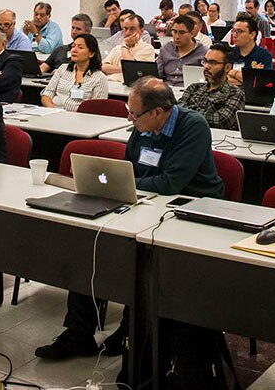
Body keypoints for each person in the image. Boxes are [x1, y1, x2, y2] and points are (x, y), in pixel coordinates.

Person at [36, 77, 224, 360]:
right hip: (146, 201)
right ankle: (78, 333)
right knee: (92, 245)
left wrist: (128, 183)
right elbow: (130, 167)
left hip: (188, 207)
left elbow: (172, 183)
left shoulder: (192, 126)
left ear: (158, 112)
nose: (129, 118)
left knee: (140, 260)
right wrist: (119, 182)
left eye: (134, 114)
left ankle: (128, 329)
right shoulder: (144, 123)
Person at [179, 43, 245, 130]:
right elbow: (177, 111)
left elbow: (221, 121)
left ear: (227, 67)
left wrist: (189, 111)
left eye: (213, 63)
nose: (206, 66)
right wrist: (205, 114)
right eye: (205, 61)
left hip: (219, 140)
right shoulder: (194, 88)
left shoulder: (235, 93)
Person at [41, 34, 108, 111]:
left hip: (80, 119)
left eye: (80, 47)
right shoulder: (63, 68)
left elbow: (98, 108)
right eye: (73, 46)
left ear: (91, 53)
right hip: (54, 113)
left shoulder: (99, 78)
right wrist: (53, 111)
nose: (74, 50)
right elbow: (47, 94)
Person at [156, 13, 208, 87]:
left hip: (190, 90)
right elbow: (157, 74)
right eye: (174, 31)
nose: (177, 36)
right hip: (166, 89)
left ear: (192, 33)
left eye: (182, 32)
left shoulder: (203, 52)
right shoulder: (166, 49)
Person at [102, 13, 156, 82]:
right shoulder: (117, 48)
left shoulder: (148, 49)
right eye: (125, 29)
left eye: (132, 29)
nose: (127, 33)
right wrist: (124, 70)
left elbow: (132, 70)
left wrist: (125, 45)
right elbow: (103, 67)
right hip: (110, 85)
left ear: (141, 31)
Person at [226, 15, 272, 86]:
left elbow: (263, 83)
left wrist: (232, 73)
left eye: (239, 31)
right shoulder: (229, 53)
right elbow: (223, 80)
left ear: (252, 35)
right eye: (234, 31)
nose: (234, 35)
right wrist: (251, 76)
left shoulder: (264, 55)